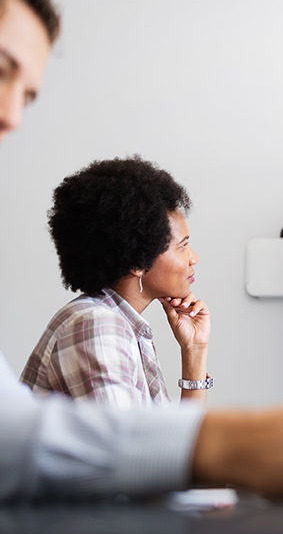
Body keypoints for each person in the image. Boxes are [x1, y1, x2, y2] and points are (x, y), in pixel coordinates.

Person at [0, 0, 283, 500]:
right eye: (182, 245)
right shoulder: (95, 323)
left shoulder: (128, 327)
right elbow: (130, 466)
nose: (12, 115)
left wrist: (193, 359)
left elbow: (159, 462)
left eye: (26, 94)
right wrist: (248, 442)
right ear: (135, 255)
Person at [21, 157, 211, 406]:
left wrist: (194, 350)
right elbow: (128, 443)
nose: (194, 258)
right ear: (137, 261)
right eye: (183, 246)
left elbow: (179, 441)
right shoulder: (97, 325)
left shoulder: (122, 324)